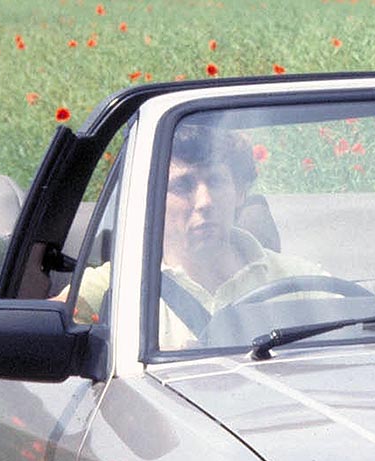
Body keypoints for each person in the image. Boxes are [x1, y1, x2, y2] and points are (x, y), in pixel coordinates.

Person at [73, 120, 325, 348]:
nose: (205, 201)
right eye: (183, 185)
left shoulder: (301, 281)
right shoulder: (116, 284)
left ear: (240, 193)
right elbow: (45, 331)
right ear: (152, 199)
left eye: (215, 181)